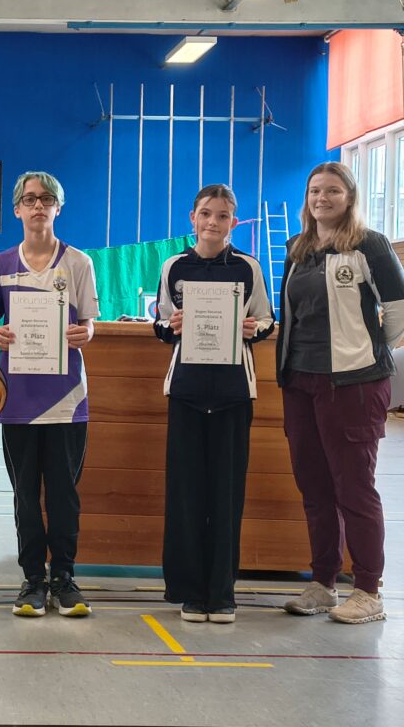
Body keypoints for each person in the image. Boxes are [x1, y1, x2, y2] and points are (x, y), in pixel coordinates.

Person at [278, 162, 404, 624]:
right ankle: (323, 583)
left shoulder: (369, 244)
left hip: (353, 384)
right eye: (315, 190)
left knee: (354, 487)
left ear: (349, 197)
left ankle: (368, 590)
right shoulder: (297, 248)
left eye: (332, 190)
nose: (322, 198)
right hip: (300, 381)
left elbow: (398, 309)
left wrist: (367, 351)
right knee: (314, 486)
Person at [0, 171, 99, 618]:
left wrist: (86, 332)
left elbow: (89, 323)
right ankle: (32, 578)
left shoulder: (79, 263)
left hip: (68, 400)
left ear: (57, 208)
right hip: (19, 401)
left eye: (47, 199)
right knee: (25, 496)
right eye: (30, 199)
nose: (38, 206)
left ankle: (64, 578)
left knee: (64, 495)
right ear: (17, 209)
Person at [154, 184, 274, 624]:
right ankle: (189, 592)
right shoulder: (174, 266)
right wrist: (171, 325)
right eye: (206, 213)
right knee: (186, 495)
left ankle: (221, 593)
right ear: (193, 217)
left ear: (233, 222)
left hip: (232, 395)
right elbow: (160, 323)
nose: (213, 222)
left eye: (222, 216)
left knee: (226, 496)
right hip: (186, 393)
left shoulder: (248, 266)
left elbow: (267, 319)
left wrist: (253, 329)